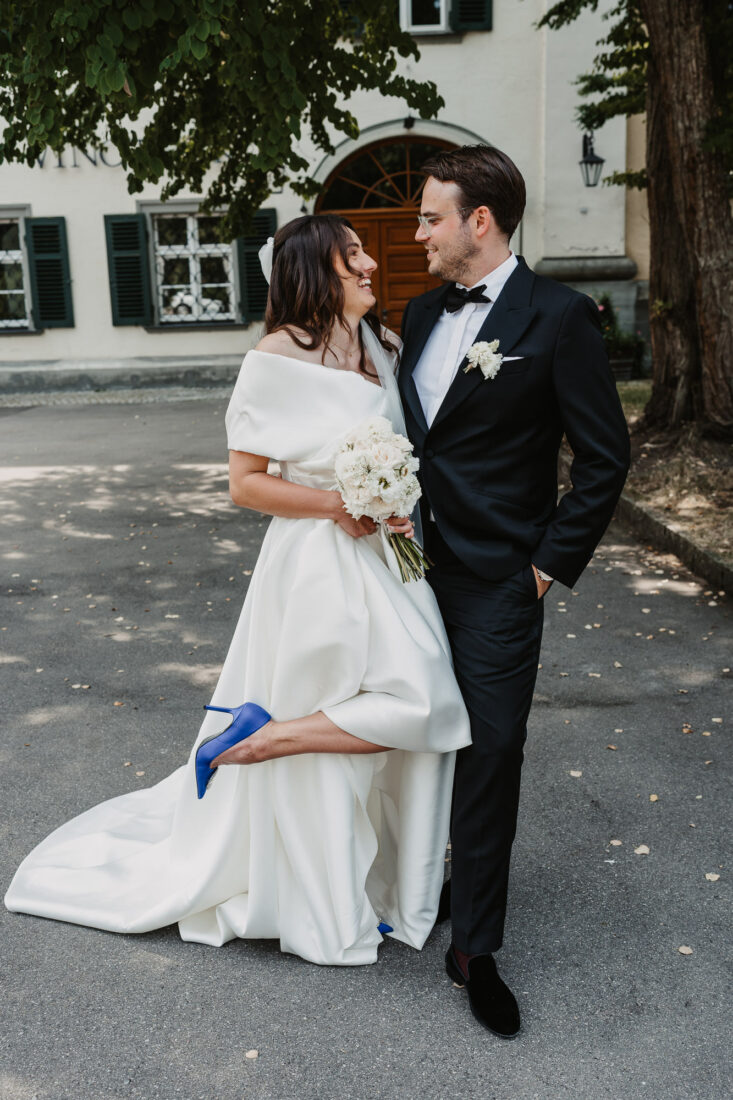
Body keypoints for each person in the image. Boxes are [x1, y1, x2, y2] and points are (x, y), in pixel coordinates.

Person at [5, 214, 471, 967]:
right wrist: (336, 505)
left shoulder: (386, 348)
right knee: (372, 710)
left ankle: (372, 870)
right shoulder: (274, 356)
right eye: (351, 255)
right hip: (317, 563)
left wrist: (390, 503)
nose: (370, 266)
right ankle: (316, 885)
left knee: (422, 703)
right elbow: (245, 484)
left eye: (363, 253)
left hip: (390, 558)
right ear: (313, 269)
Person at [399, 145, 630, 1036]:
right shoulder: (417, 315)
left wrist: (544, 567)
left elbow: (604, 460)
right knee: (405, 730)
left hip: (498, 578)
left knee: (490, 751)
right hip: (406, 571)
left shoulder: (561, 317)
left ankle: (475, 949)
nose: (417, 232)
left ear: (478, 222)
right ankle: (417, 878)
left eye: (429, 217)